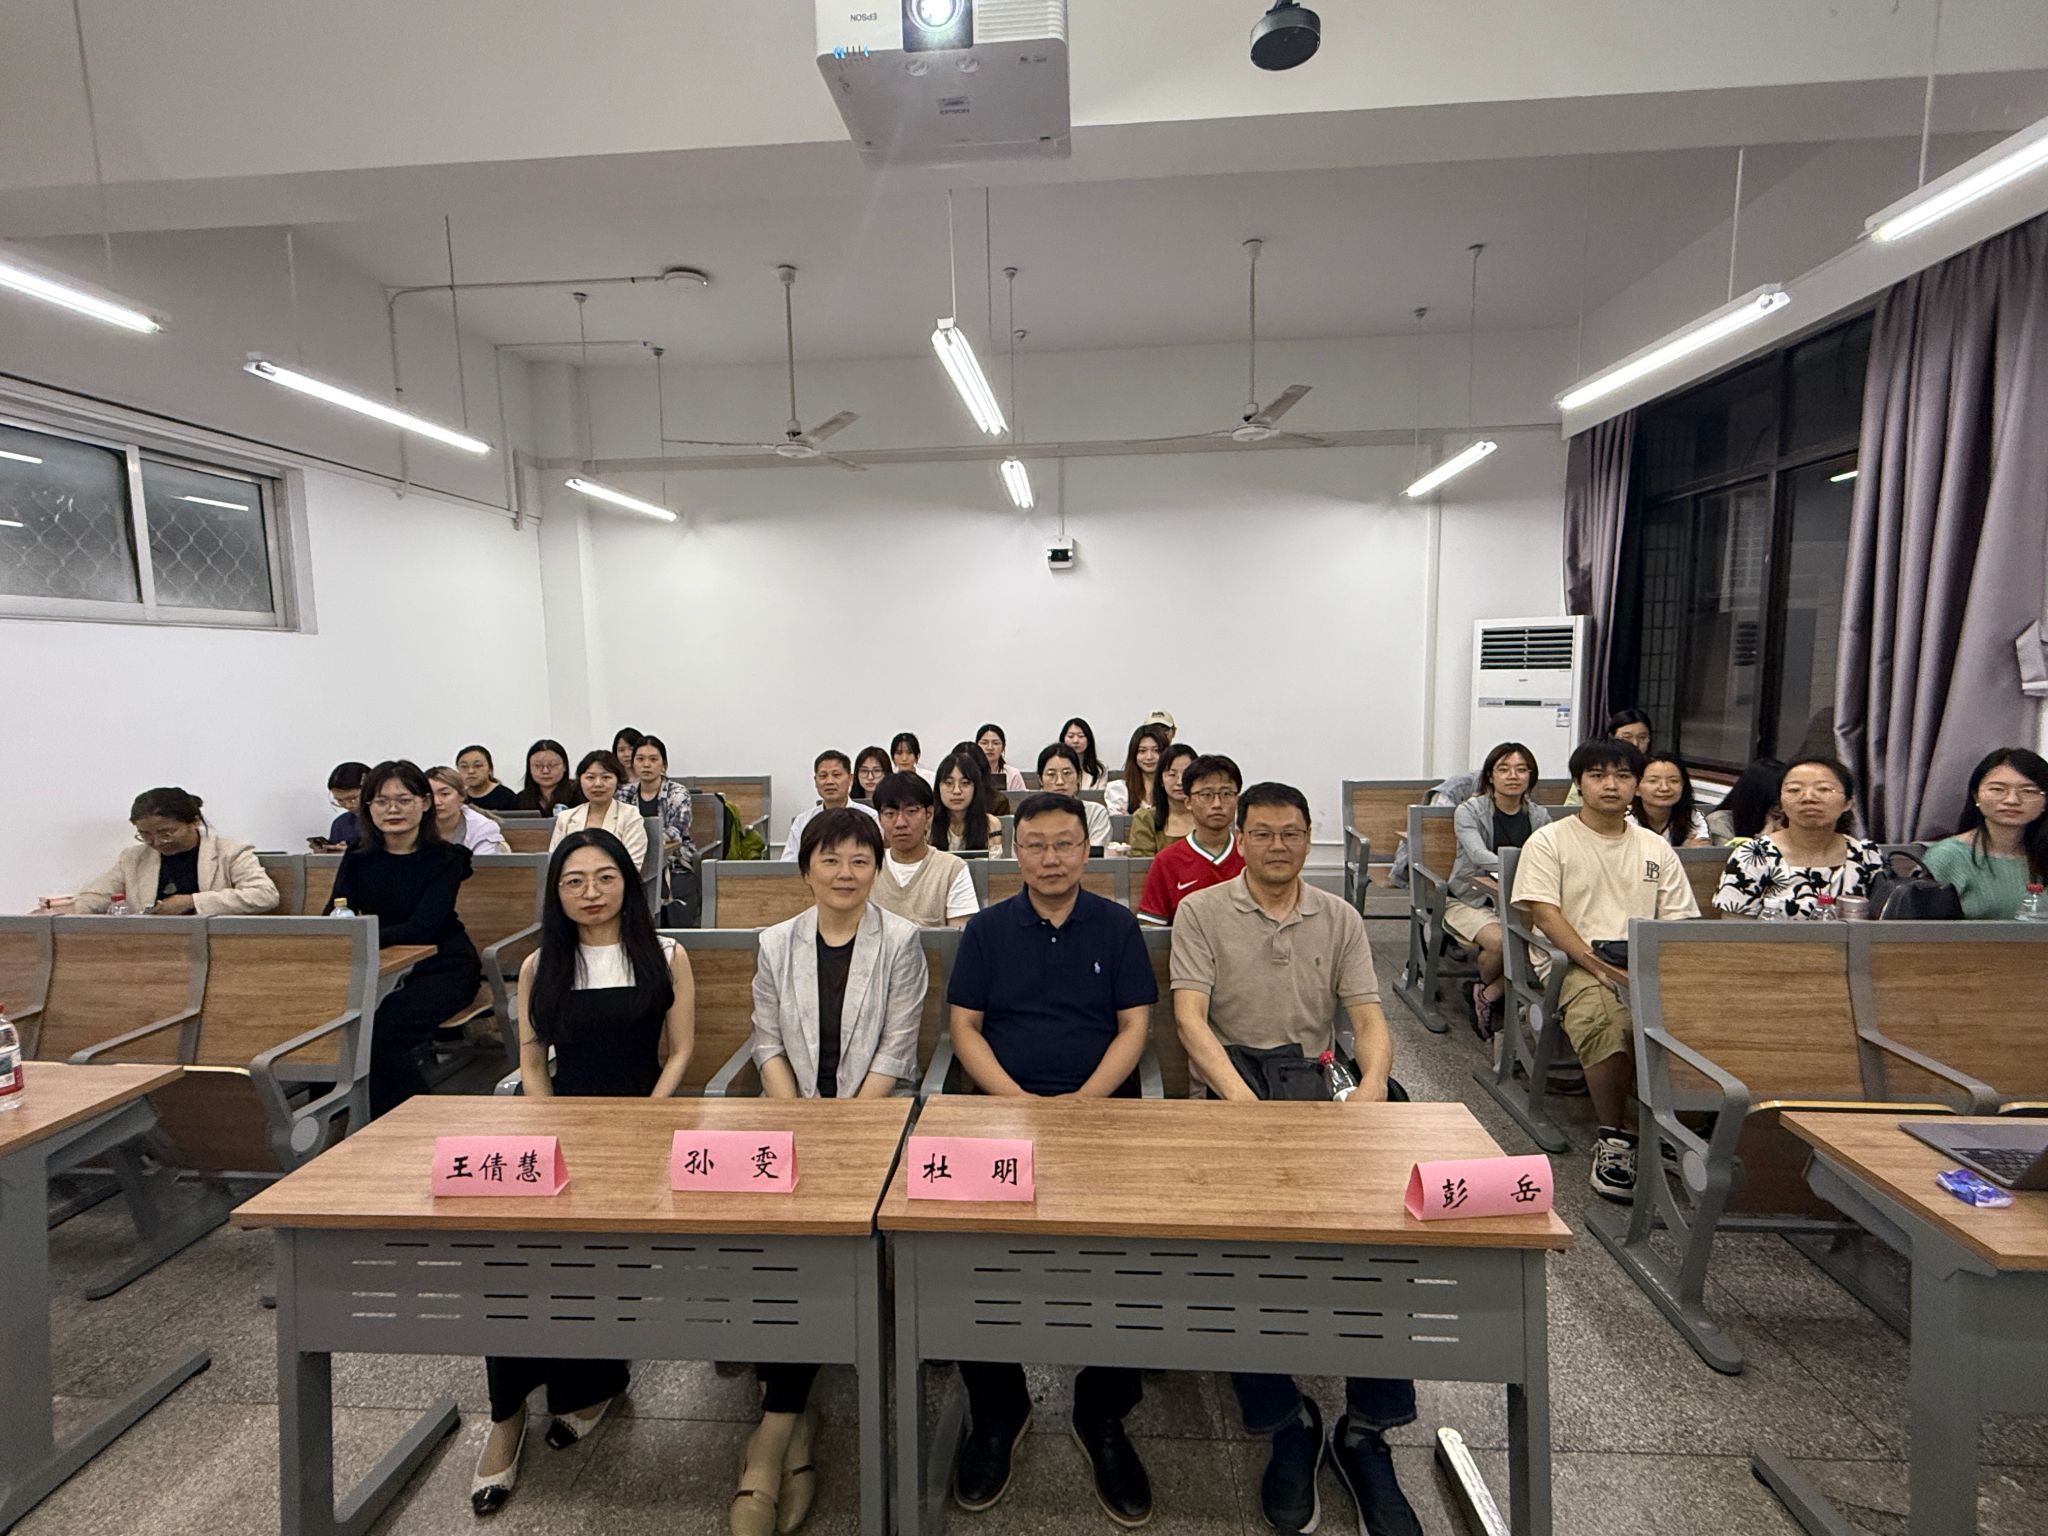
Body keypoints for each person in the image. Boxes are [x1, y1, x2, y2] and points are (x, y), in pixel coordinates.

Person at [1170, 781, 1417, 1536]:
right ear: (1241, 839)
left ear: (1310, 839)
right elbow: (1190, 1022)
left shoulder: (1339, 916)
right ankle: (1286, 1421)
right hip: (1236, 1091)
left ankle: (1367, 1429)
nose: (1278, 846)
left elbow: (1367, 1019)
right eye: (1263, 833)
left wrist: (1370, 1088)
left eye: (1292, 833)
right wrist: (1245, 1109)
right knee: (1231, 1249)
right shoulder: (1201, 911)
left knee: (1383, 1238)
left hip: (1318, 1086)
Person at [471, 828, 695, 1518]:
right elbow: (532, 1061)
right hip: (560, 1129)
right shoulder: (542, 963)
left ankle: (592, 1385)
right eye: (574, 881)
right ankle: (507, 1413)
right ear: (556, 892)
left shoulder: (666, 954)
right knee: (513, 1256)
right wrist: (553, 1131)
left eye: (604, 878)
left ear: (628, 883)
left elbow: (680, 1052)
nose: (590, 892)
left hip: (641, 1128)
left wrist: (645, 1124)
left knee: (601, 1259)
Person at [946, 792, 1156, 1524]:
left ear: (1086, 850)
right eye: (1035, 845)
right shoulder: (987, 930)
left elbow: (1134, 1028)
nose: (1051, 859)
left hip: (1101, 1117)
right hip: (1003, 1114)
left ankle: (1103, 1411)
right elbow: (965, 1029)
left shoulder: (1117, 926)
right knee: (966, 1250)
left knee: (1130, 1251)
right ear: (1016, 852)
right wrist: (1019, 1107)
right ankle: (998, 1408)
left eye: (1065, 844)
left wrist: (1081, 1107)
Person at [733, 809, 925, 1536]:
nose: (846, 873)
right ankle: (789, 1423)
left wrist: (841, 1134)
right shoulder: (775, 942)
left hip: (872, 1125)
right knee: (781, 1246)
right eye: (830, 859)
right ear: (805, 868)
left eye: (860, 860)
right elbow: (767, 1043)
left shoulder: (901, 941)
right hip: (789, 1122)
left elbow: (898, 1051)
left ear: (877, 869)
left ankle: (775, 1434)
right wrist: (800, 1125)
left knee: (814, 1244)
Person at [1512, 739, 1697, 1202]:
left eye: (1622, 776)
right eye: (1597, 776)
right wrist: (1595, 966)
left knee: (1695, 1019)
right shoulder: (1550, 840)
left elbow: (1678, 920)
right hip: (1574, 960)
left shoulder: (1654, 847)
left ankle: (1674, 1126)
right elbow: (1545, 914)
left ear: (1636, 786)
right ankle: (1615, 1135)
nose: (1610, 785)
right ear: (1579, 784)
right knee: (1608, 1021)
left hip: (1643, 962)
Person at [326, 760, 481, 1118]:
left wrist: (365, 933)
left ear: (424, 803)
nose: (392, 810)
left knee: (382, 1031)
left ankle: (414, 1121)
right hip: (376, 966)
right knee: (333, 1025)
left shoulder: (446, 858)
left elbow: (422, 929)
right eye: (381, 801)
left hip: (442, 966)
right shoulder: (358, 854)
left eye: (403, 800)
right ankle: (342, 1116)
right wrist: (356, 935)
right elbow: (335, 914)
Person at [1446, 743, 1552, 1038]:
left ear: (1530, 776)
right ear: (1490, 776)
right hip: (1471, 899)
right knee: (1503, 942)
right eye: (1504, 769)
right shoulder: (1469, 811)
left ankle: (1487, 992)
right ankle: (1499, 990)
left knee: (1543, 945)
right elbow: (1478, 855)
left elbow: (1551, 857)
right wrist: (1525, 867)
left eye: (1521, 770)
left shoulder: (1539, 816)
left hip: (1520, 900)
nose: (1513, 776)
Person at [1714, 756, 1885, 920]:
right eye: (1794, 790)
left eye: (1823, 789)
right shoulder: (1753, 855)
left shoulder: (1866, 855)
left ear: (1848, 802)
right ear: (1780, 802)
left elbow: (1881, 925)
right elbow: (1735, 932)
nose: (1808, 798)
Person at [73, 787, 280, 916]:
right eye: (145, 835)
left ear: (194, 822)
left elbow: (264, 895)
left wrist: (192, 901)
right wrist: (74, 910)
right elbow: (96, 895)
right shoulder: (133, 858)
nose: (157, 842)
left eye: (167, 833)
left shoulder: (231, 852)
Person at [1922, 748, 2048, 919]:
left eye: (2028, 791)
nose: (2012, 800)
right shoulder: (1948, 857)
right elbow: (1921, 929)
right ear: (1976, 796)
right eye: (1997, 789)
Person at [1137, 753, 1245, 923]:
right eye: (1206, 795)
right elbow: (1152, 927)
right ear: (1188, 801)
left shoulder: (1251, 854)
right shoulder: (1167, 861)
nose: (1217, 804)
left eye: (1226, 794)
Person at [870, 772, 978, 928]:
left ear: (929, 814)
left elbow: (959, 936)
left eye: (911, 812)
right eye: (889, 814)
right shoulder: (869, 867)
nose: (900, 823)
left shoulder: (952, 869)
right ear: (880, 819)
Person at [628, 736, 695, 922]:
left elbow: (676, 831)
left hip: (674, 863)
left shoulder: (678, 793)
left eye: (653, 759)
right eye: (640, 759)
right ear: (633, 764)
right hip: (632, 862)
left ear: (663, 764)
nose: (646, 765)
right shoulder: (625, 793)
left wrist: (647, 846)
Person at [549, 751, 650, 870]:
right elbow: (554, 864)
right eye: (590, 777)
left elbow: (632, 867)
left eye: (606, 777)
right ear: (580, 780)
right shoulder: (566, 818)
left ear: (617, 780)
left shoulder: (630, 815)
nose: (598, 784)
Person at [782, 751, 880, 858]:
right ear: (815, 781)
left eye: (836, 775)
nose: (829, 781)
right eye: (823, 776)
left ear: (850, 779)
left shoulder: (870, 817)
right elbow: (789, 863)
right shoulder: (803, 821)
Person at [1563, 710, 1653, 807]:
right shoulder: (1593, 764)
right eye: (1627, 737)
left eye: (1642, 737)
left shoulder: (1654, 768)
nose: (1635, 743)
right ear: (1611, 736)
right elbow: (1571, 807)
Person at [1035, 743, 1112, 849]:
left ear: (1078, 777)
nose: (1060, 782)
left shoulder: (1095, 813)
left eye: (1067, 773)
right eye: (1051, 774)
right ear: (1040, 779)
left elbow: (1095, 855)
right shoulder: (1028, 815)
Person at [1128, 742, 1197, 857]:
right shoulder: (1146, 819)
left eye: (1187, 774)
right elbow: (1141, 864)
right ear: (1161, 780)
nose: (1180, 782)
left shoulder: (1208, 816)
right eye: (1172, 774)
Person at [932, 751, 1003, 857]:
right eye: (948, 783)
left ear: (975, 788)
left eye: (965, 783)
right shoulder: (927, 825)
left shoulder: (991, 824)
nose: (956, 791)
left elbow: (994, 865)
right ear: (938, 788)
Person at [1630, 753, 1711, 846]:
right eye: (1653, 781)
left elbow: (1700, 851)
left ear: (1683, 786)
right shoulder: (1625, 820)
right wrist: (1683, 849)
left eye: (1673, 781)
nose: (1664, 788)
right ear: (1636, 788)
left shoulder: (1693, 817)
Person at [427, 767, 509, 854]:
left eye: (444, 794)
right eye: (430, 796)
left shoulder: (483, 828)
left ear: (462, 795)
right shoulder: (417, 822)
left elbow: (482, 862)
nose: (436, 802)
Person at [1704, 758, 1786, 845]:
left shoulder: (1785, 819)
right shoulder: (1719, 822)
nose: (1782, 805)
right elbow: (1735, 854)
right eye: (1776, 799)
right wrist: (1766, 836)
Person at [1104, 723, 1168, 817]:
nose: (1149, 757)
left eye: (1156, 750)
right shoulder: (1119, 789)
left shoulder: (1174, 788)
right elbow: (1121, 823)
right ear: (1134, 754)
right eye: (1142, 751)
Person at [311, 761, 369, 851]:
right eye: (340, 800)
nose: (348, 806)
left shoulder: (388, 819)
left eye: (353, 799)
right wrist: (327, 853)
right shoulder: (341, 823)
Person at [515, 738, 582, 815]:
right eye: (538, 766)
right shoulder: (520, 799)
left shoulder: (579, 794)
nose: (545, 771)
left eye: (552, 765)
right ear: (529, 768)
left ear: (564, 766)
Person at [456, 744, 520, 812]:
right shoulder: (458, 798)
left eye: (478, 765)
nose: (470, 771)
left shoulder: (507, 797)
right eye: (464, 766)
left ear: (490, 769)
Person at [975, 723, 1028, 793]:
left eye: (996, 743)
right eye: (984, 743)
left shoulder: (1013, 774)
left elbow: (1021, 798)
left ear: (1003, 747)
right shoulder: (969, 772)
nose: (990, 748)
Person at [1059, 717, 1108, 789]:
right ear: (1063, 740)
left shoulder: (1100, 769)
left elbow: (1099, 795)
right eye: (1071, 736)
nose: (1075, 741)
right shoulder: (1054, 768)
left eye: (1081, 736)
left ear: (1089, 741)